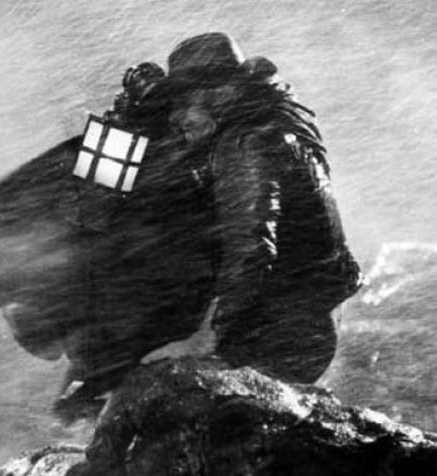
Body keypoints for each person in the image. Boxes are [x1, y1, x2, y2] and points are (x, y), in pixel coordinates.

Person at [142, 32, 363, 383]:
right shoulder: (272, 122)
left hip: (285, 332)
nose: (177, 118)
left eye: (183, 103)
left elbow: (251, 247)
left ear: (219, 94)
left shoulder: (245, 143)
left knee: (154, 377)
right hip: (307, 320)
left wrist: (206, 338)